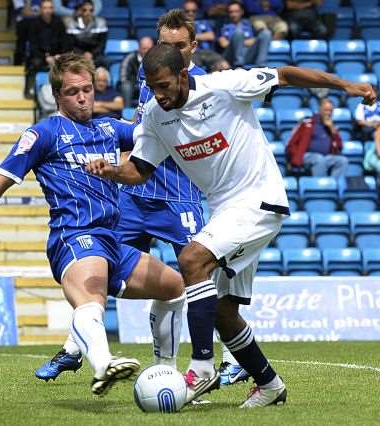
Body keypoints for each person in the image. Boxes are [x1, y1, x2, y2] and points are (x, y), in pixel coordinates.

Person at [86, 43, 375, 407]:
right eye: (152, 88)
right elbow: (140, 170)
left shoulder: (224, 86)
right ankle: (270, 385)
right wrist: (111, 170)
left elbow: (284, 75)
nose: (159, 95)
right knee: (223, 312)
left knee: (192, 260)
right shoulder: (156, 119)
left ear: (183, 75)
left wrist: (345, 86)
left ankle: (203, 368)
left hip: (259, 198)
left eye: (164, 86)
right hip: (225, 211)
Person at [34, 9, 247, 399]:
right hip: (134, 196)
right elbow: (141, 131)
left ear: (193, 47)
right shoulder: (151, 77)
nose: (172, 52)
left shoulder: (206, 86)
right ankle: (76, 346)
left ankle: (228, 357)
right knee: (98, 263)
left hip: (178, 198)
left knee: (195, 279)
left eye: (179, 46)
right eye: (166, 44)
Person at [0, 53, 187, 397]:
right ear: (58, 96)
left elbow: (152, 135)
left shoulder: (108, 127)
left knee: (174, 287)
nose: (83, 97)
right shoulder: (43, 133)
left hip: (111, 240)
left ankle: (166, 372)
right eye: (73, 91)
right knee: (92, 299)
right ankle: (103, 363)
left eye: (87, 89)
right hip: (74, 235)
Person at [287, 98, 349, 178]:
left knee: (343, 161)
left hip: (326, 157)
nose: (328, 113)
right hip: (307, 156)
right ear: (320, 109)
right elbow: (291, 143)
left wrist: (332, 130)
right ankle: (322, 188)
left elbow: (339, 147)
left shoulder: (332, 127)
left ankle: (333, 186)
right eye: (326, 110)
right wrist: (295, 157)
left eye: (330, 111)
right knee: (319, 159)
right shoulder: (307, 123)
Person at [25, 0, 73, 98]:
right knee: (33, 64)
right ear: (41, 10)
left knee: (69, 64)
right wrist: (45, 57)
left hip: (57, 55)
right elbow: (33, 46)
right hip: (40, 56)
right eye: (45, 8)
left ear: (53, 9)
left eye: (50, 8)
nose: (48, 10)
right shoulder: (34, 24)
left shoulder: (59, 22)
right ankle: (30, 90)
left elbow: (65, 42)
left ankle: (67, 91)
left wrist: (59, 55)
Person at [218, 1, 272, 68]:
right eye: (231, 12)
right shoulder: (222, 25)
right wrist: (241, 41)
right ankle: (238, 65)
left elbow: (256, 40)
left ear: (242, 12)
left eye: (236, 11)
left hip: (247, 55)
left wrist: (238, 42)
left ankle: (261, 66)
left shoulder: (249, 24)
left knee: (266, 33)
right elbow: (224, 44)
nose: (233, 14)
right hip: (230, 57)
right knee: (238, 32)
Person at [183, 1, 228, 72]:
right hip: (192, 54)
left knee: (224, 65)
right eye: (187, 11)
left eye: (193, 11)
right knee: (195, 71)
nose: (190, 13)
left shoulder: (203, 22)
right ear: (183, 12)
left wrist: (193, 37)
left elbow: (211, 36)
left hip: (207, 52)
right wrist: (203, 36)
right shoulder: (180, 26)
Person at [66, 1, 109, 69]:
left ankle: (102, 78)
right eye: (84, 10)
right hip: (77, 55)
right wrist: (83, 55)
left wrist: (91, 54)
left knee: (105, 61)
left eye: (91, 10)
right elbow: (71, 45)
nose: (88, 13)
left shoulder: (101, 23)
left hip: (95, 55)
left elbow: (101, 45)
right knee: (69, 62)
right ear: (80, 11)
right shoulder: (71, 24)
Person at [119, 36, 154, 108]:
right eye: (144, 49)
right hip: (134, 86)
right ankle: (127, 111)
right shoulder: (129, 58)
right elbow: (123, 77)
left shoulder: (156, 59)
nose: (147, 51)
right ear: (139, 49)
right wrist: (138, 85)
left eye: (149, 49)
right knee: (126, 86)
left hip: (150, 86)